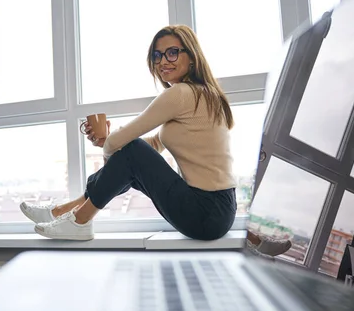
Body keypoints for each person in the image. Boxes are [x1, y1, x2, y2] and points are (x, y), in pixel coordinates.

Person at [20, 24, 238, 241]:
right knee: (130, 154)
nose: (163, 61)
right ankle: (62, 212)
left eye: (172, 53)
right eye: (157, 56)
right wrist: (110, 144)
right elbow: (152, 146)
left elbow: (127, 142)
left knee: (131, 149)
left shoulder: (181, 93)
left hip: (205, 212)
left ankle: (79, 221)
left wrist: (110, 149)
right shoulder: (203, 93)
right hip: (217, 211)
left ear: (192, 57)